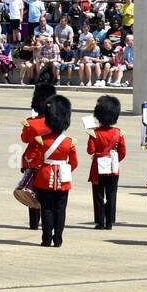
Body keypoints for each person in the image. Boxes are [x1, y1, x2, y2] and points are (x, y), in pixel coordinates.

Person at [32, 95, 78, 247]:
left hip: (44, 177)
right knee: (60, 210)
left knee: (46, 209)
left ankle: (46, 238)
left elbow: (37, 160)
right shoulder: (69, 142)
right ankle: (58, 239)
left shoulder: (42, 140)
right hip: (63, 179)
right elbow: (74, 163)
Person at [20, 82, 57, 231]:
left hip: (32, 160)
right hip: (48, 159)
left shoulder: (30, 123)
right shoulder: (54, 122)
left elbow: (24, 139)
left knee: (31, 192)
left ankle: (34, 223)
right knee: (47, 192)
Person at [87, 95, 125, 230]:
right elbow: (123, 152)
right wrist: (113, 159)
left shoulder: (95, 133)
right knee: (111, 194)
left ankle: (100, 222)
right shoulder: (118, 132)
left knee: (98, 195)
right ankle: (109, 222)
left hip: (98, 167)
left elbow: (90, 151)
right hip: (113, 168)